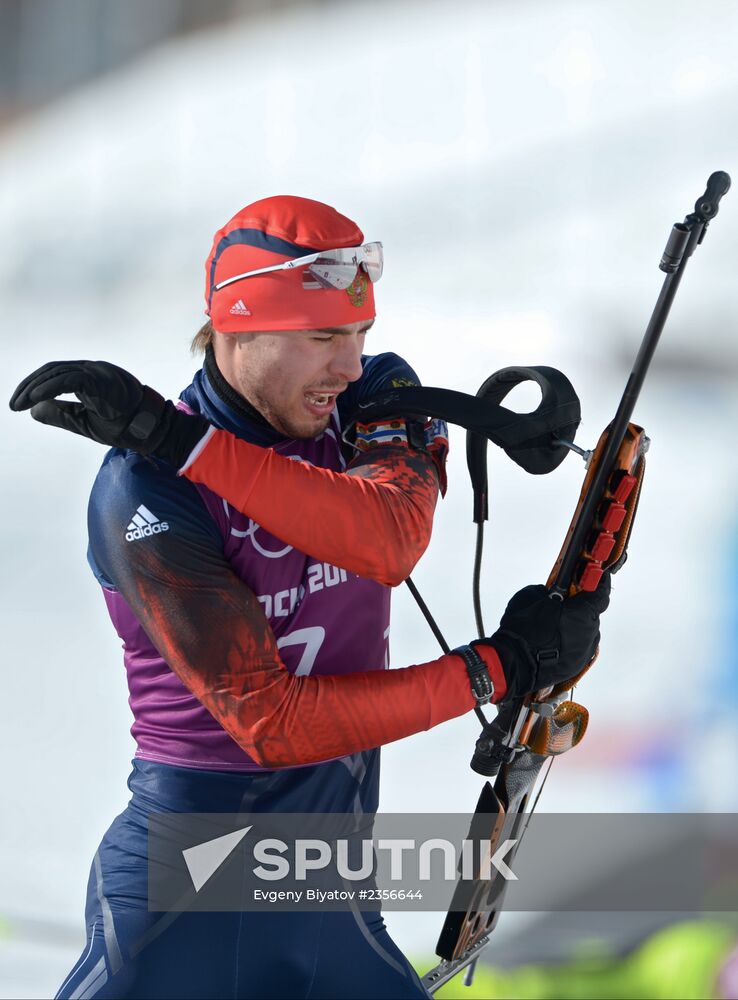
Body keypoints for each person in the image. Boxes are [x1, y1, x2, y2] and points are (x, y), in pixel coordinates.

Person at [10, 195, 610, 999]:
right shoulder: (144, 489)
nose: (351, 366)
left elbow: (385, 539)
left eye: (358, 334)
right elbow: (272, 723)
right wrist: (496, 669)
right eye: (324, 337)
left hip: (329, 892)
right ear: (238, 328)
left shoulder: (368, 409)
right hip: (187, 891)